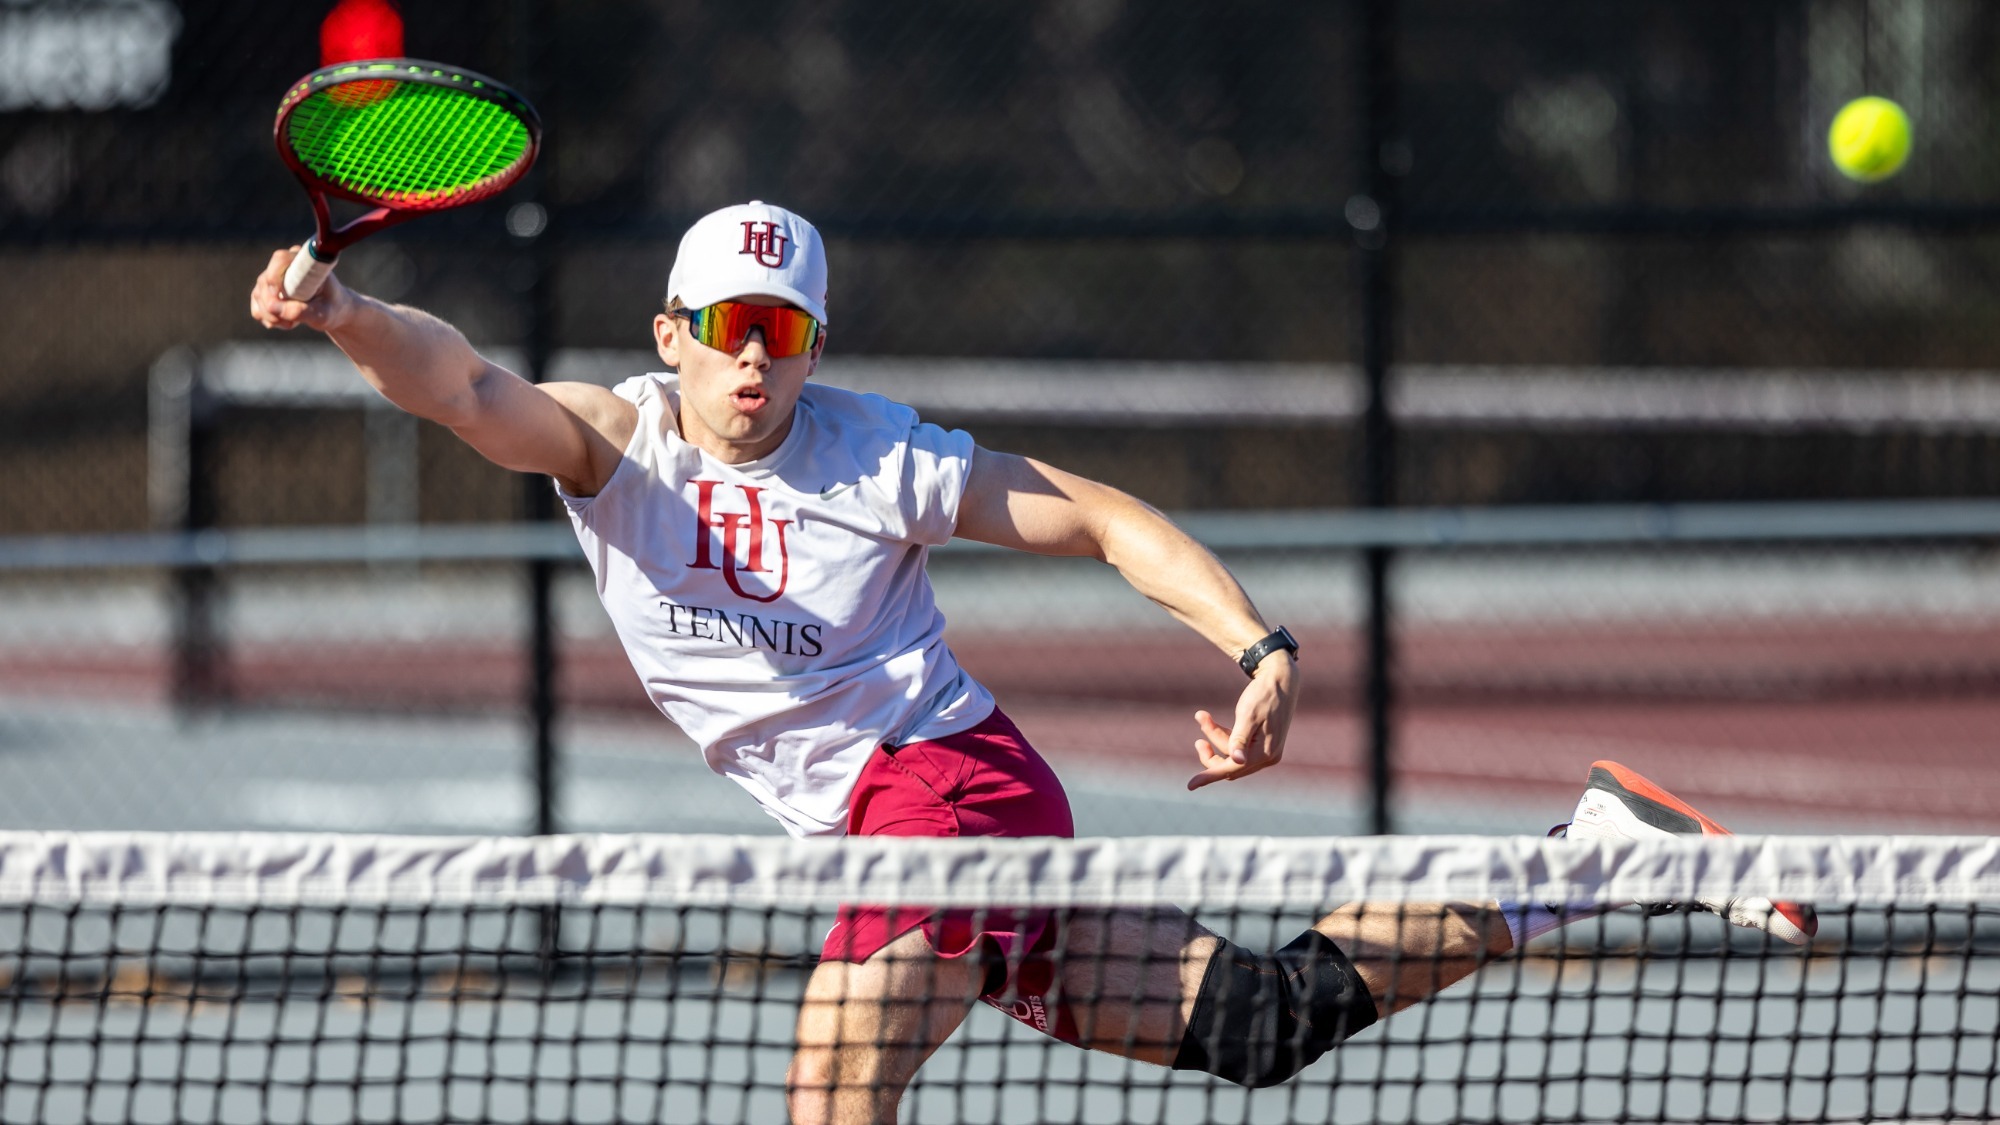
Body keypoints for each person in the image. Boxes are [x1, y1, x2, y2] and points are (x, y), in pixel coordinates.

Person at [250, 201, 1816, 1124]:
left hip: (946, 789)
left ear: (809, 342)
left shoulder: (882, 456)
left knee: (831, 1098)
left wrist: (1256, 639)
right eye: (726, 322)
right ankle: (1588, 858)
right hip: (937, 819)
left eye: (783, 330)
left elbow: (1103, 521)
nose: (753, 355)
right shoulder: (615, 443)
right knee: (1263, 1023)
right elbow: (453, 382)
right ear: (671, 333)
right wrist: (345, 312)